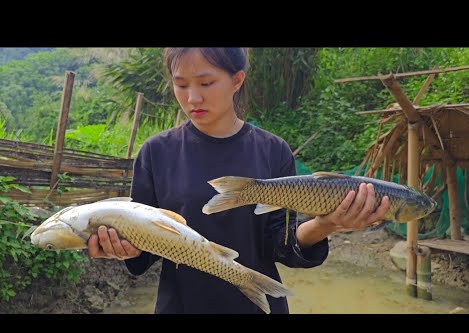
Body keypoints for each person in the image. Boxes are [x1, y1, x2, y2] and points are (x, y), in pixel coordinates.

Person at [87, 48, 390, 314]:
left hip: (255, 305)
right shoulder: (156, 153)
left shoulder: (272, 151)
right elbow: (146, 245)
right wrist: (124, 247)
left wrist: (328, 224)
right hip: (181, 304)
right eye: (181, 85)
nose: (193, 97)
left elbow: (280, 245)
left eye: (206, 83)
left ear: (237, 80)